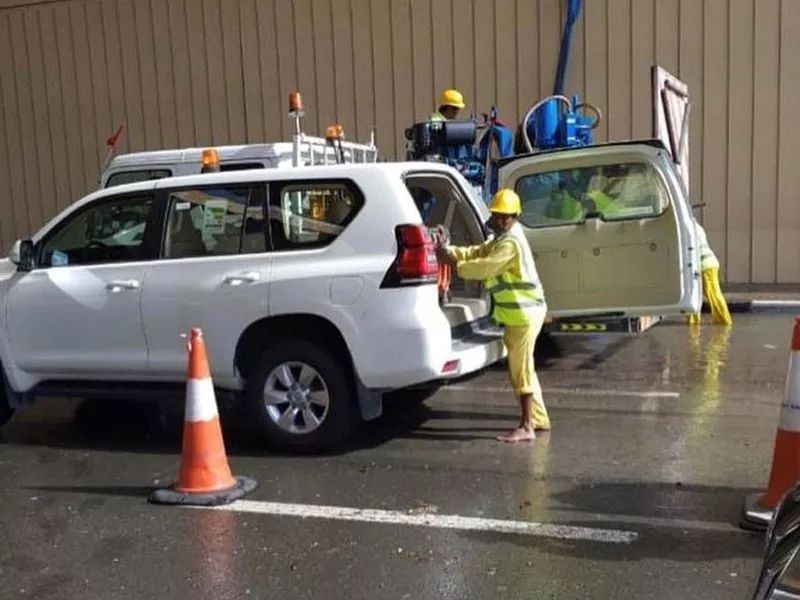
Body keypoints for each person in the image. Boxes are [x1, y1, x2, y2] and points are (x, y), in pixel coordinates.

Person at [437, 188, 550, 443]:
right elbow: (477, 252)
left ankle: (527, 426)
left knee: (520, 370)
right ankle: (539, 418)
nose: (500, 220)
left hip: (524, 313)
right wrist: (450, 251)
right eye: (498, 215)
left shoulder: (510, 242)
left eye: (505, 217)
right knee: (525, 369)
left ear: (515, 216)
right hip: (519, 313)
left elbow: (484, 266)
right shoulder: (502, 237)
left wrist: (453, 263)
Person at [689, 219, 733, 326]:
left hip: (706, 265)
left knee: (712, 294)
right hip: (707, 264)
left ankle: (725, 321)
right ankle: (694, 322)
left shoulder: (689, 228)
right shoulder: (696, 227)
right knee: (695, 294)